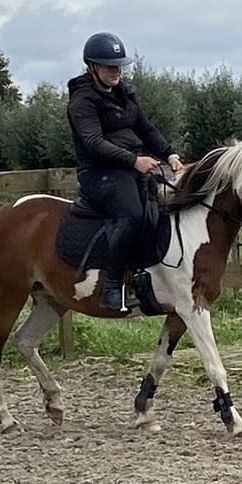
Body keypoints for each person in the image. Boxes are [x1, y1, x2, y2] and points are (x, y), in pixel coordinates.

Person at [67, 32, 184, 309]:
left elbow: (145, 128)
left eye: (120, 65)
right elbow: (94, 143)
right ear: (92, 66)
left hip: (130, 170)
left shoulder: (124, 94)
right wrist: (134, 161)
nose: (117, 71)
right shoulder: (82, 102)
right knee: (131, 214)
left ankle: (152, 279)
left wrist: (169, 153)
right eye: (110, 66)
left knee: (159, 209)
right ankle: (112, 286)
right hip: (99, 174)